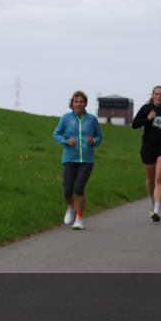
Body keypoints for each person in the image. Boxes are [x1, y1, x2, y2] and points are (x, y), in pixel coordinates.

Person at [52, 91, 103, 230]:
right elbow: (56, 134)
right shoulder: (66, 118)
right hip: (70, 158)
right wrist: (66, 141)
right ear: (72, 103)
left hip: (86, 160)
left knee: (79, 188)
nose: (79, 104)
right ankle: (71, 207)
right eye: (76, 101)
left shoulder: (92, 119)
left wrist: (94, 141)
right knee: (68, 190)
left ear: (85, 103)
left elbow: (99, 136)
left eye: (81, 101)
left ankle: (79, 218)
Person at [131, 85, 161, 223]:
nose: (159, 96)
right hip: (149, 146)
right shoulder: (146, 108)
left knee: (159, 177)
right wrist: (148, 118)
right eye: (156, 94)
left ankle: (156, 209)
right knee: (150, 179)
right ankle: (151, 201)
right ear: (153, 95)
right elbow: (134, 124)